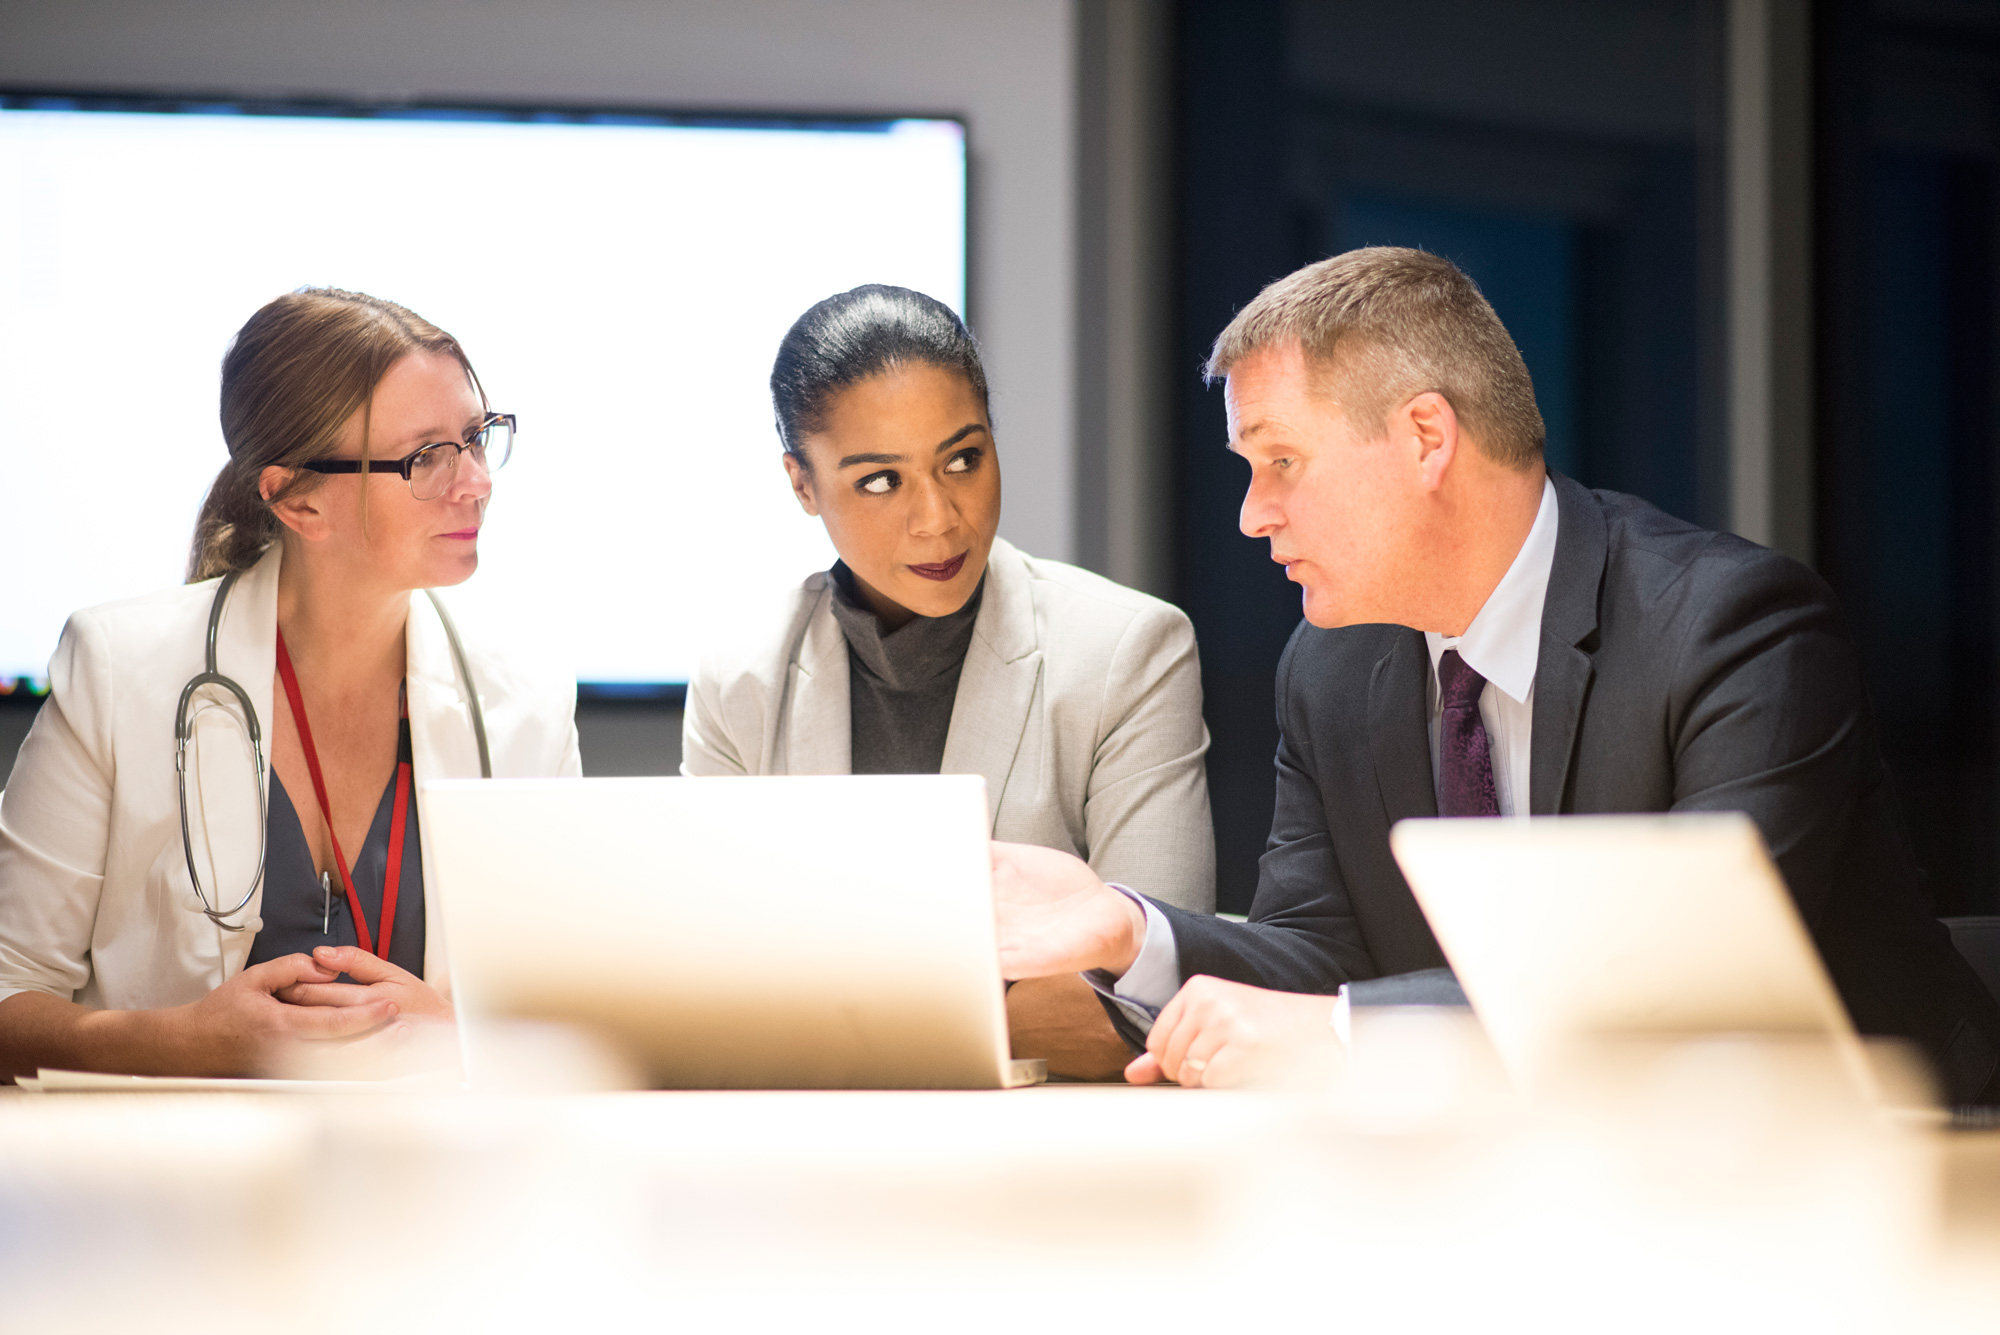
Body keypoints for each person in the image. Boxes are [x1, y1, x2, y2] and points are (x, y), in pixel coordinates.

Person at [990, 247, 2000, 1105]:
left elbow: (1691, 976)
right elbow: (1317, 950)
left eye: (1280, 462)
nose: (1252, 515)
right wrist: (1128, 930)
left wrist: (1347, 1034)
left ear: (1426, 437)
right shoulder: (1332, 668)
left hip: (1880, 1173)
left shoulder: (1733, 628)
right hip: (1541, 1172)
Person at [0, 288, 581, 1080]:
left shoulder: (526, 701)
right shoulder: (114, 668)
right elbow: (9, 999)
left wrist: (455, 1033)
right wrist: (178, 1041)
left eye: (477, 437)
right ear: (297, 498)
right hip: (170, 1185)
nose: (475, 481)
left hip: (425, 1182)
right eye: (426, 457)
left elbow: (571, 1017)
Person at [683, 284, 1213, 1075]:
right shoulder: (743, 681)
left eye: (962, 459)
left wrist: (822, 1015)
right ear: (802, 485)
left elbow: (1149, 997)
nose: (939, 517)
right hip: (799, 1155)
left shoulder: (1126, 650)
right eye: (880, 480)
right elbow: (703, 984)